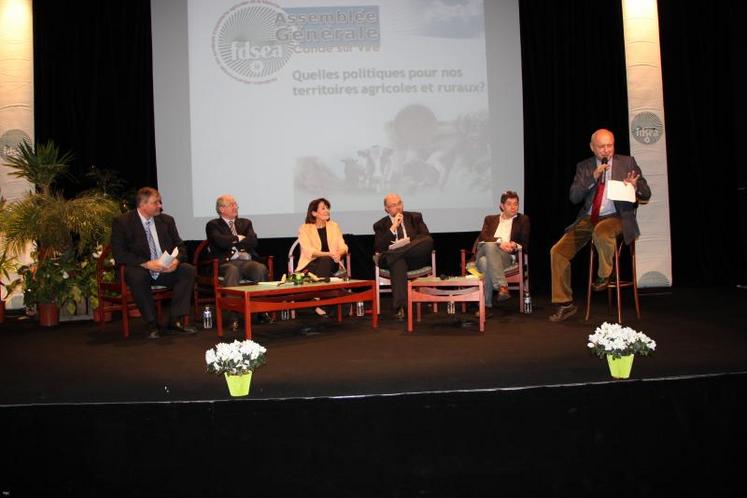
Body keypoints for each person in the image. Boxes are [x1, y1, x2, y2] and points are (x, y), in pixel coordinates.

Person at [549, 129, 651, 322]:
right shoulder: (585, 166)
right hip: (589, 218)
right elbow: (574, 197)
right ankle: (565, 303)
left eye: (610, 145)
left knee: (601, 231)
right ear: (592, 147)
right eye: (602, 146)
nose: (606, 150)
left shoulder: (627, 162)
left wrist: (635, 186)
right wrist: (592, 177)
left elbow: (646, 193)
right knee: (558, 251)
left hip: (617, 216)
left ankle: (605, 275)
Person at [110, 187, 197, 338]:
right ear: (142, 205)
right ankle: (151, 323)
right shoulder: (123, 222)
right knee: (137, 276)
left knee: (187, 270)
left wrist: (175, 262)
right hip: (141, 268)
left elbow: (180, 246)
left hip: (165, 269)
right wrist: (146, 263)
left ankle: (175, 320)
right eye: (156, 202)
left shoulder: (166, 221)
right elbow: (120, 254)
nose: (160, 206)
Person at [205, 194, 270, 331]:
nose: (236, 207)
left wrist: (233, 241)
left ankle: (261, 312)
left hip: (245, 261)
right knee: (232, 270)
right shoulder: (213, 225)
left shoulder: (245, 223)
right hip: (224, 263)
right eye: (232, 205)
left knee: (260, 268)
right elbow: (219, 242)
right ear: (222, 209)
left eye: (236, 204)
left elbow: (253, 241)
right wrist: (238, 238)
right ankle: (232, 317)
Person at [373, 193, 434, 320]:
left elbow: (425, 237)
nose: (398, 207)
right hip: (397, 262)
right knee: (398, 262)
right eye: (394, 205)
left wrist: (405, 243)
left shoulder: (415, 217)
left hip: (414, 258)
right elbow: (379, 247)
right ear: (386, 209)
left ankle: (392, 255)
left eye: (400, 203)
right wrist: (393, 227)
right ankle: (401, 307)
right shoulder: (380, 225)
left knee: (427, 241)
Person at [473, 191, 530, 317]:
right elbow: (483, 236)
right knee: (489, 244)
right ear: (502, 206)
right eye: (509, 204)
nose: (513, 207)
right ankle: (502, 286)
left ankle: (485, 307)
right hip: (485, 249)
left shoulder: (523, 220)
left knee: (484, 262)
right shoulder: (490, 219)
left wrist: (514, 245)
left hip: (506, 256)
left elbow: (525, 243)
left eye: (516, 204)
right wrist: (500, 242)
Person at [296, 198, 349, 318]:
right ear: (314, 213)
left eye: (327, 208)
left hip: (331, 264)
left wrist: (338, 253)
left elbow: (344, 247)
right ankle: (320, 302)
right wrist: (329, 253)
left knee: (325, 261)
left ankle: (316, 300)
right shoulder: (304, 228)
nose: (327, 211)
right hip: (310, 264)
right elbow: (309, 251)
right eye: (323, 208)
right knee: (323, 261)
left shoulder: (334, 226)